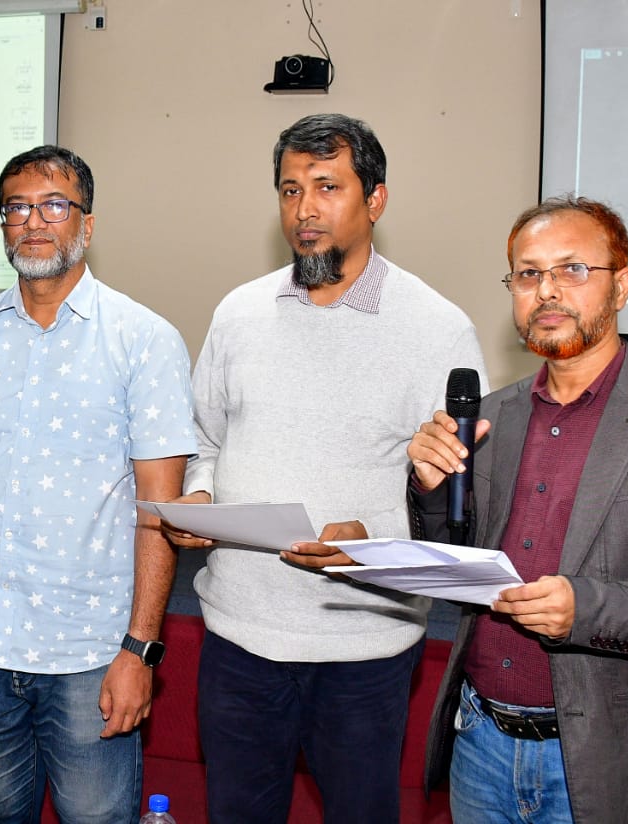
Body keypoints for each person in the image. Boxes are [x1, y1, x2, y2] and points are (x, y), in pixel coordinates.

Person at [159, 113, 487, 823]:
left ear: (376, 200)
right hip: (239, 635)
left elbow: (460, 505)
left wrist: (374, 536)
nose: (304, 209)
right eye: (290, 189)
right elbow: (203, 438)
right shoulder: (239, 312)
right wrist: (200, 494)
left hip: (364, 646)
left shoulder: (438, 329)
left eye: (327, 187)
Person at [408, 197, 628, 823]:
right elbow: (459, 570)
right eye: (528, 274)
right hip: (480, 743)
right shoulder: (491, 418)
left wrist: (587, 610)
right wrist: (433, 490)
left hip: (618, 758)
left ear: (622, 285)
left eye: (572, 270)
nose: (547, 291)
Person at [0, 145, 195, 823]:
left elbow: (160, 509)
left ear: (88, 223)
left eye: (54, 205)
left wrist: (140, 651)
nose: (33, 221)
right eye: (17, 207)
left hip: (91, 656)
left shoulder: (144, 340)